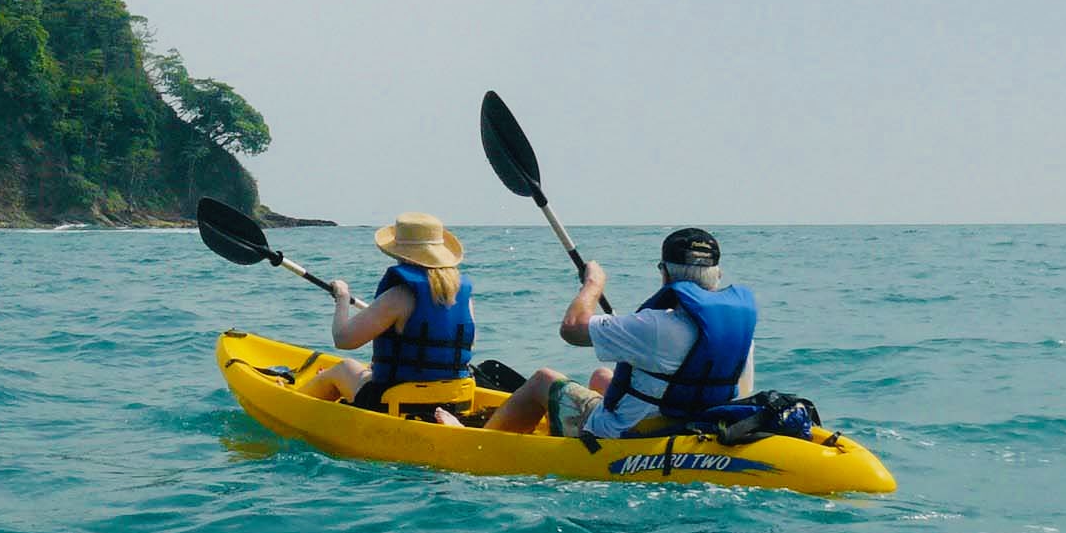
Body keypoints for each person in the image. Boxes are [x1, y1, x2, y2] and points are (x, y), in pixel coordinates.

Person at [444, 228, 756, 438]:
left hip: (634, 433)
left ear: (665, 272)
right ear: (717, 274)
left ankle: (482, 440)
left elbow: (572, 329)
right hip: (693, 424)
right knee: (601, 377)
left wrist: (593, 283)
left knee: (542, 380)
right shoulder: (737, 331)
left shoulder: (656, 326)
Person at [298, 212, 475, 410]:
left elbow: (343, 340)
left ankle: (290, 404)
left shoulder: (400, 295)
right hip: (454, 400)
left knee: (343, 368)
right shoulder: (463, 296)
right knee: (367, 372)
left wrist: (342, 298)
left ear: (400, 253)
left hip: (396, 401)